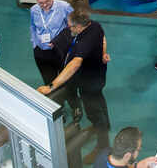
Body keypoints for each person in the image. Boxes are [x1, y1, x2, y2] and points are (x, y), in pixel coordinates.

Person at [38, 10, 111, 152]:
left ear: (79, 27)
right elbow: (103, 39)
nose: (68, 28)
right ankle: (105, 125)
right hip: (96, 77)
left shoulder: (85, 41)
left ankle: (103, 145)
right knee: (99, 100)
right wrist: (103, 53)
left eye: (70, 26)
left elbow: (75, 64)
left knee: (93, 111)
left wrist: (51, 87)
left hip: (90, 82)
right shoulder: (95, 26)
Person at [30, 0, 74, 86]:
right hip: (41, 52)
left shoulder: (65, 7)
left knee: (67, 82)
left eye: (47, 1)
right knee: (49, 84)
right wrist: (34, 43)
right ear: (37, 1)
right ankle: (57, 101)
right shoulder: (34, 10)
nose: (44, 5)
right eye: (41, 3)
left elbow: (73, 27)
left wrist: (65, 44)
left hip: (60, 51)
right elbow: (32, 27)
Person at [91, 127, 157, 168]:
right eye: (138, 149)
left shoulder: (104, 152)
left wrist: (139, 165)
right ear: (127, 155)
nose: (140, 150)